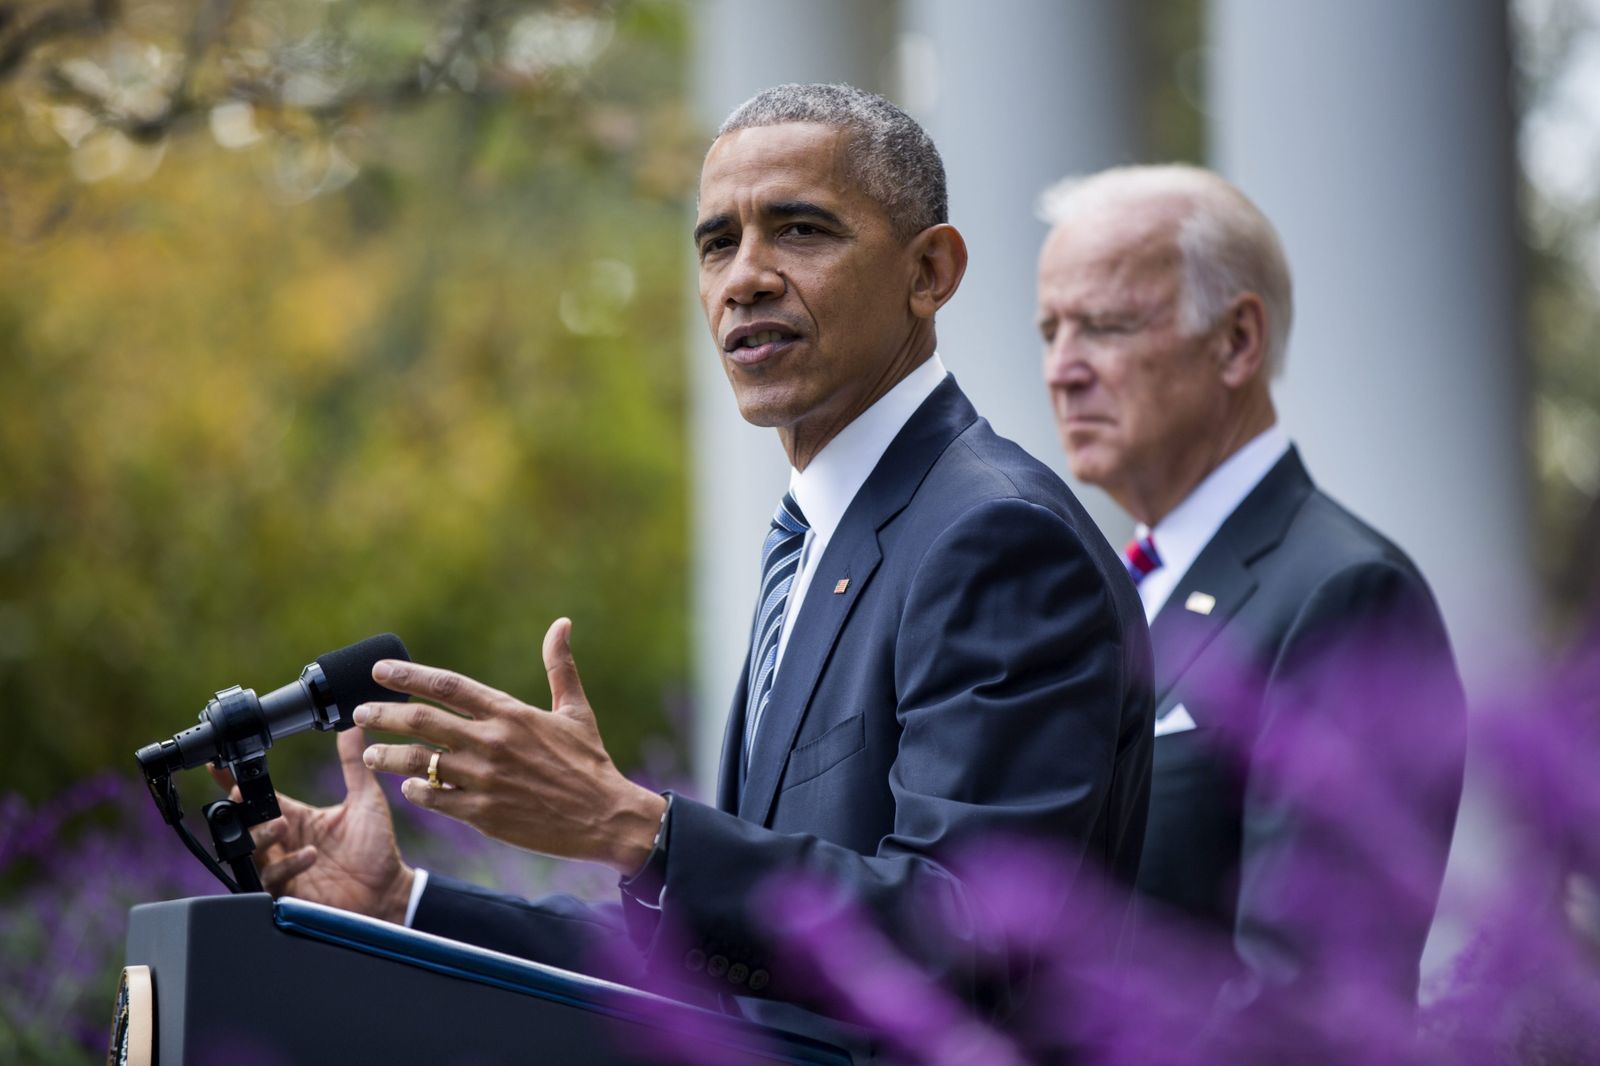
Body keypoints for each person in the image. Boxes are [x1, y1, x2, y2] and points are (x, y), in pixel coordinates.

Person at [246, 84, 1154, 1054]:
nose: (746, 278)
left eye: (800, 230)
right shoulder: (809, 545)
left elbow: (973, 929)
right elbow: (726, 982)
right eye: (717, 243)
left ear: (928, 271)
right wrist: (403, 901)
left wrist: (640, 827)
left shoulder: (996, 537)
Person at [1034, 164, 1466, 1019]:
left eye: (1105, 326)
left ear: (1237, 342)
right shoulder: (1112, 591)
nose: (1062, 369)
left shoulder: (1343, 593)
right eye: (1048, 330)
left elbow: (1312, 998)